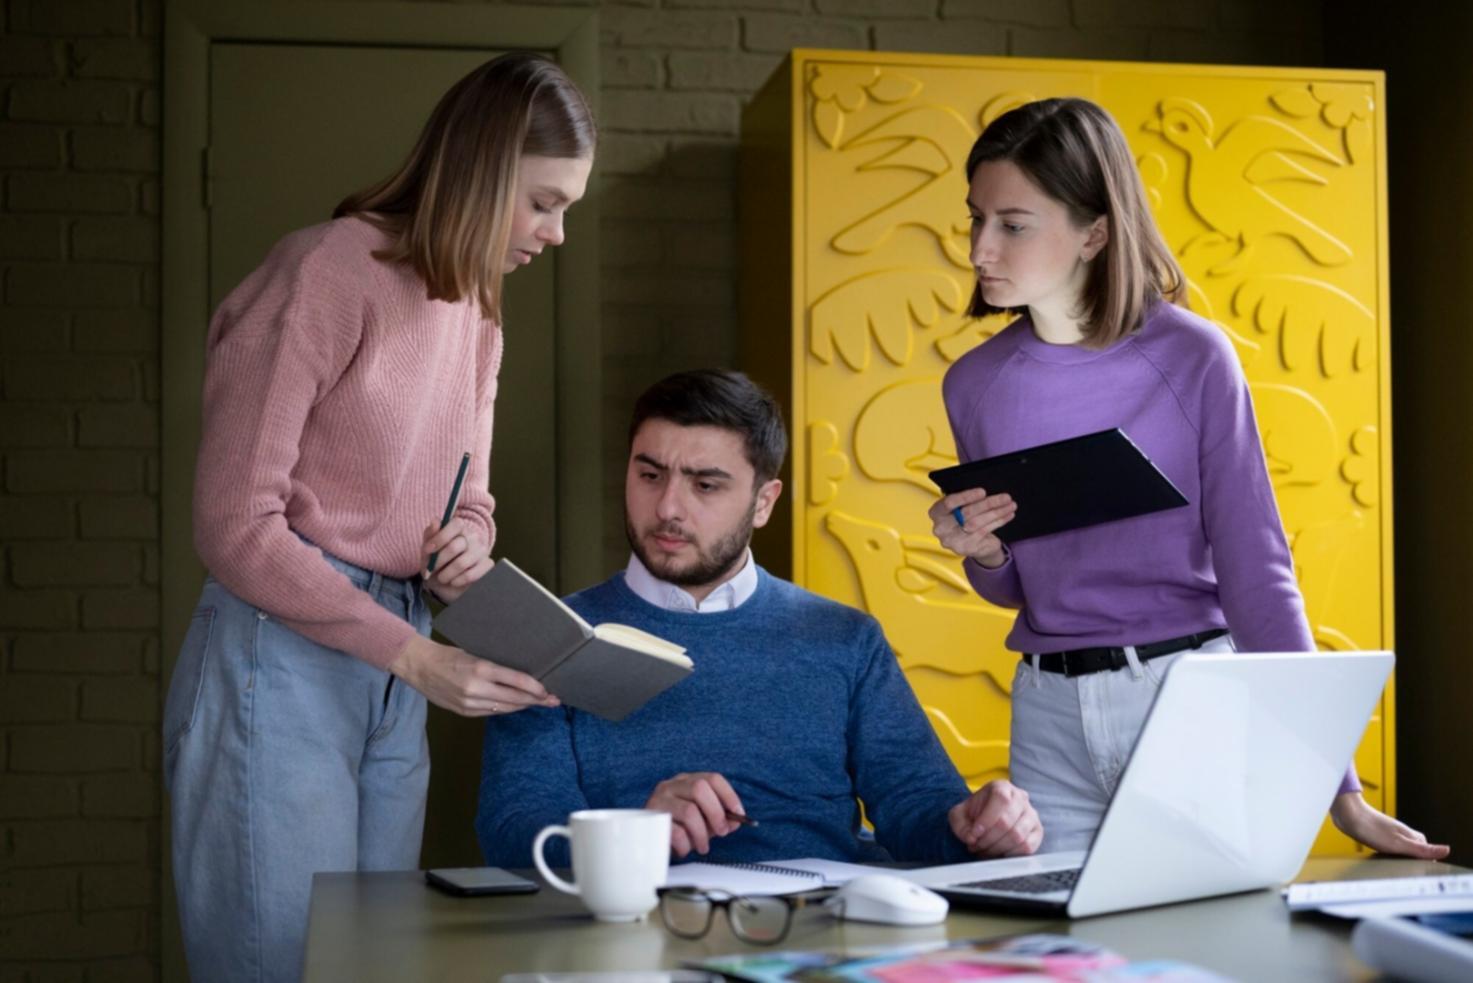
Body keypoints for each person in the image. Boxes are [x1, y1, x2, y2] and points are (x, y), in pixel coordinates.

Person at [162, 53, 595, 983]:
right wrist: (417, 657)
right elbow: (235, 523)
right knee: (278, 964)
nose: (555, 234)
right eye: (544, 202)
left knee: (372, 966)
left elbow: (466, 492)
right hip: (278, 659)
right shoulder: (323, 271)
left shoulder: (478, 307)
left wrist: (465, 544)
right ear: (481, 172)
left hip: (402, 654)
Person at [929, 97, 1448, 859]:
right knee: (1058, 962)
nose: (980, 248)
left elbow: (1256, 572)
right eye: (975, 218)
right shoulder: (972, 382)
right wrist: (982, 552)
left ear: (1094, 232)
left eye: (1012, 224)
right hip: (1045, 711)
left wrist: (1336, 787)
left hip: (1186, 697)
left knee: (1205, 958)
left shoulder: (1193, 357)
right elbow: (1020, 587)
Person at [469, 369, 1042, 867]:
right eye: (649, 475)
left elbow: (918, 810)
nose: (668, 507)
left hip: (824, 931)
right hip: (636, 929)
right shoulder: (547, 633)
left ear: (764, 502)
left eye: (705, 484)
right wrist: (637, 833)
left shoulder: (845, 638)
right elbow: (516, 831)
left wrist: (979, 825)